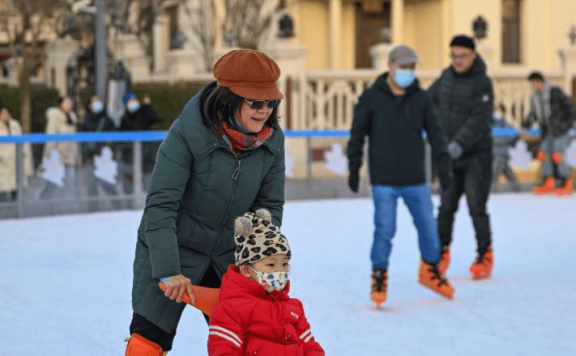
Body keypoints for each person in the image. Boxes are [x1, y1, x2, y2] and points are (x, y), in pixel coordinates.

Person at [124, 49, 286, 355]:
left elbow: (269, 207)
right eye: (255, 102)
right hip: (173, 248)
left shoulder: (272, 143)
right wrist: (168, 270)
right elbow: (161, 206)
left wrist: (255, 260)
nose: (264, 110)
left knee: (247, 342)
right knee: (146, 341)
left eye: (271, 102)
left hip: (228, 254)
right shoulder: (188, 133)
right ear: (229, 98)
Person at [346, 44, 455, 307]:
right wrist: (354, 166)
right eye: (403, 66)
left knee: (429, 228)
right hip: (383, 179)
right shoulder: (371, 97)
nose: (408, 72)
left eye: (411, 67)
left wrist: (444, 164)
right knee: (385, 229)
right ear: (391, 65)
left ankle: (431, 270)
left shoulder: (421, 98)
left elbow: (437, 134)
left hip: (415, 178)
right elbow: (358, 133)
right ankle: (379, 277)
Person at [207, 208, 325, 356]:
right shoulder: (231, 310)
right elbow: (224, 351)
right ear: (247, 271)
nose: (279, 272)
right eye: (271, 265)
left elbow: (311, 347)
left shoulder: (293, 308)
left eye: (284, 264)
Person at [428, 35, 494, 280]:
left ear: (473, 56)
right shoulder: (445, 78)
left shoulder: (482, 83)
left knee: (476, 206)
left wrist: (459, 143)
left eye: (462, 56)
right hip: (449, 156)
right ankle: (440, 253)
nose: (457, 61)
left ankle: (484, 254)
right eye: (454, 55)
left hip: (477, 155)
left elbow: (480, 118)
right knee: (446, 207)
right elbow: (427, 102)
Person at [522, 71, 576, 196]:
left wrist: (569, 122)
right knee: (543, 153)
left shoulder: (554, 92)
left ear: (542, 82)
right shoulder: (535, 97)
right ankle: (548, 181)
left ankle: (566, 182)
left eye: (536, 82)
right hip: (547, 130)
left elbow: (571, 107)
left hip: (561, 128)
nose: (534, 85)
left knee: (557, 154)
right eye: (532, 83)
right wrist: (525, 125)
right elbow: (534, 113)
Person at [81, 95, 121, 211]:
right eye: (94, 102)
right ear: (89, 105)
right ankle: (93, 208)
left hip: (104, 157)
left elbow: (114, 135)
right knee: (91, 184)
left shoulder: (107, 119)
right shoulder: (86, 120)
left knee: (106, 181)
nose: (97, 104)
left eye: (98, 101)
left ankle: (118, 205)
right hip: (90, 156)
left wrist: (108, 147)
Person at [117, 92, 161, 195]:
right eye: (130, 101)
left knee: (148, 185)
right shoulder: (124, 119)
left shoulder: (143, 113)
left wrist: (147, 106)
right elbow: (120, 137)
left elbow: (155, 119)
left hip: (146, 157)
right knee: (129, 186)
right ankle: (130, 205)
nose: (133, 103)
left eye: (135, 100)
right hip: (130, 158)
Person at [39, 96, 79, 200]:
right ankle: (44, 200)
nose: (68, 105)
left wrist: (76, 155)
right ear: (60, 104)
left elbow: (74, 138)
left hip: (69, 154)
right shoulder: (54, 116)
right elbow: (51, 134)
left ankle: (71, 202)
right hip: (57, 154)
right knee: (53, 181)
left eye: (70, 103)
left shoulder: (72, 117)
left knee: (71, 179)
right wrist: (48, 153)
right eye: (66, 103)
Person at [0, 103, 33, 202]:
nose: (5, 115)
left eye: (6, 112)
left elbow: (23, 142)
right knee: (3, 191)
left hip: (15, 162)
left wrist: (24, 157)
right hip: (3, 163)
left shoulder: (15, 125)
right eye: (2, 113)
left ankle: (15, 213)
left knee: (16, 189)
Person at [492, 111, 520, 192]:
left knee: (495, 172)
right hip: (499, 153)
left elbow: (512, 136)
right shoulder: (503, 125)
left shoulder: (502, 126)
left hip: (500, 153)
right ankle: (515, 187)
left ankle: (491, 188)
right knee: (506, 170)